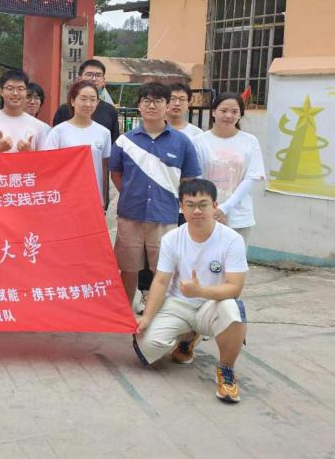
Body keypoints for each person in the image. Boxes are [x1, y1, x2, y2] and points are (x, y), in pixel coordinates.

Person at [134, 179, 248, 404]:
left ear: (215, 206)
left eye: (203, 204)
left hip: (212, 304)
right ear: (181, 207)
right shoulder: (171, 239)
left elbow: (235, 287)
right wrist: (146, 317)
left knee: (233, 309)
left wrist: (200, 291)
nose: (197, 211)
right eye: (190, 205)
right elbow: (161, 281)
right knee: (146, 348)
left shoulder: (232, 240)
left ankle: (226, 370)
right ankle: (187, 338)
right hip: (178, 305)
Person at [110, 82, 201, 304]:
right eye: (147, 101)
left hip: (165, 216)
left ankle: (161, 315)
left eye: (158, 101)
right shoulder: (125, 141)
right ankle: (126, 315)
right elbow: (116, 174)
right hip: (130, 215)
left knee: (164, 271)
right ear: (139, 105)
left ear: (167, 105)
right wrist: (132, 194)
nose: (152, 106)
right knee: (128, 269)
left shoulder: (182, 142)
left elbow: (188, 180)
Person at [193, 92, 265, 242]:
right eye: (223, 110)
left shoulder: (250, 141)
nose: (228, 115)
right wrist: (211, 209)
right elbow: (197, 179)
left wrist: (224, 208)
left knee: (235, 257)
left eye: (234, 111)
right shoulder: (199, 142)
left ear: (240, 114)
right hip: (206, 214)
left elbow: (251, 178)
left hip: (239, 216)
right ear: (213, 112)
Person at [44, 80, 111, 202]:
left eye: (92, 100)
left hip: (93, 198)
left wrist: (104, 199)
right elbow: (49, 166)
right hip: (65, 197)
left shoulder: (104, 132)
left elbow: (104, 168)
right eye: (83, 99)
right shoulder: (58, 132)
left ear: (97, 102)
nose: (88, 104)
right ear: (72, 101)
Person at [0, 70, 49, 153]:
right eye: (10, 88)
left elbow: (46, 160)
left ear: (25, 92)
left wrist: (29, 152)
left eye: (20, 89)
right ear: (1, 92)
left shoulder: (38, 126)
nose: (15, 93)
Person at [52, 59, 120, 143]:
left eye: (98, 75)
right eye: (89, 74)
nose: (94, 79)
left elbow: (113, 144)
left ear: (103, 81)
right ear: (79, 78)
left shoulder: (110, 111)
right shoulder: (64, 110)